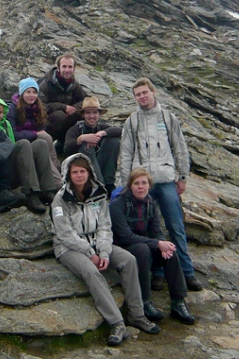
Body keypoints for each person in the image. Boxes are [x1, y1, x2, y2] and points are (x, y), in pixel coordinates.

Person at [51, 153, 160, 346]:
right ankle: (117, 323)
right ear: (68, 174)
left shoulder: (99, 195)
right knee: (91, 271)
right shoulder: (60, 199)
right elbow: (65, 234)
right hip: (68, 247)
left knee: (129, 260)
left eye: (82, 171)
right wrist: (90, 253)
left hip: (96, 243)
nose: (79, 175)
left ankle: (137, 314)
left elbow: (104, 227)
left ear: (89, 172)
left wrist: (103, 252)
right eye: (74, 172)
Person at [119, 77, 204, 291]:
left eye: (145, 92)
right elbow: (126, 153)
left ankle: (187, 272)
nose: (142, 97)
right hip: (141, 183)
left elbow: (180, 148)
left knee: (176, 227)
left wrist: (182, 176)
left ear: (153, 92)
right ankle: (157, 273)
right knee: (149, 230)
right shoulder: (132, 121)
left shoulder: (168, 118)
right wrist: (124, 183)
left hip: (166, 181)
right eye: (138, 94)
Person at [110, 168, 195, 325]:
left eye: (144, 183)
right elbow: (124, 236)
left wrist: (162, 244)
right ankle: (145, 301)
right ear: (130, 186)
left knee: (171, 251)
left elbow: (156, 231)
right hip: (124, 247)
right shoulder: (117, 205)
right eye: (136, 183)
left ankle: (178, 301)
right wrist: (157, 243)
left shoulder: (151, 203)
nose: (140, 187)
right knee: (142, 251)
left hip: (146, 244)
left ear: (149, 186)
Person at [0, 95, 58, 213]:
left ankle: (47, 190)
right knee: (23, 144)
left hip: (10, 167)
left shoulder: (6, 125)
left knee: (41, 144)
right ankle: (30, 193)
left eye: (1, 112)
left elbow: (10, 145)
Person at [7, 78, 62, 188]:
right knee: (42, 139)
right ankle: (57, 182)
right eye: (28, 92)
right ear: (22, 93)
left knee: (46, 138)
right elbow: (14, 135)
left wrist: (37, 134)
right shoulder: (12, 109)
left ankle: (57, 170)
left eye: (34, 92)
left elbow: (41, 128)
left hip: (36, 143)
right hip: (21, 146)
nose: (32, 95)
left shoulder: (37, 108)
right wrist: (34, 134)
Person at [64, 97, 121, 197]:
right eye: (88, 113)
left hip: (100, 164)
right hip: (82, 170)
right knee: (86, 145)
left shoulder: (101, 127)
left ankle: (109, 183)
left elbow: (119, 131)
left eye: (95, 113)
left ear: (99, 114)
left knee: (114, 141)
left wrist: (102, 133)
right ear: (83, 115)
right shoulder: (75, 129)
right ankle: (97, 184)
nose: (91, 116)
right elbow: (66, 149)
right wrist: (81, 139)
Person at [38, 53, 87, 153]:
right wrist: (63, 107)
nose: (67, 70)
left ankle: (67, 144)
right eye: (64, 66)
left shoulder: (74, 84)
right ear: (58, 68)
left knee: (81, 114)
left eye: (70, 67)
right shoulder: (46, 83)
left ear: (74, 69)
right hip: (47, 121)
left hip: (65, 120)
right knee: (58, 115)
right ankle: (48, 146)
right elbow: (40, 105)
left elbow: (86, 100)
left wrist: (73, 108)